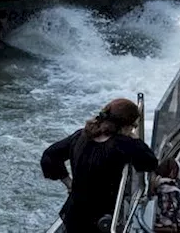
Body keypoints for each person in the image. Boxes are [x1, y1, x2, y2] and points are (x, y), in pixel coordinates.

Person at [41, 98, 158, 232]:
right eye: (134, 126)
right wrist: (136, 140)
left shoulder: (81, 136)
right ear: (126, 126)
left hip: (74, 215)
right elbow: (150, 162)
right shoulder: (123, 144)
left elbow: (49, 156)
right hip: (102, 221)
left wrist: (69, 183)